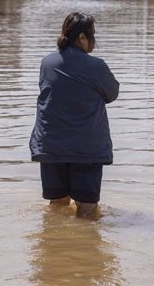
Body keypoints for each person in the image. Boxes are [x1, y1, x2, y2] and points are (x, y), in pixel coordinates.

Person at [30, 12, 120, 218]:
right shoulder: (96, 66)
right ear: (82, 37)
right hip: (86, 149)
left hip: (51, 146)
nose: (94, 41)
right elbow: (112, 94)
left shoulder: (47, 63)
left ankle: (54, 243)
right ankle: (83, 246)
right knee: (87, 208)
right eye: (92, 35)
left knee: (57, 204)